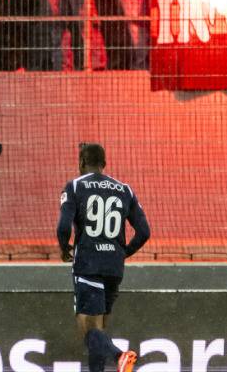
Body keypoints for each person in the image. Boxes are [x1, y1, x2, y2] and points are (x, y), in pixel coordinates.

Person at [56, 143, 151, 372]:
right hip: (113, 268)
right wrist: (123, 253)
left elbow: (63, 227)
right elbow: (144, 232)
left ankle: (120, 355)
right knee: (99, 331)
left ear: (81, 162)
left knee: (89, 331)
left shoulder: (75, 186)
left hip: (88, 265)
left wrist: (63, 247)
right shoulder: (124, 189)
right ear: (104, 164)